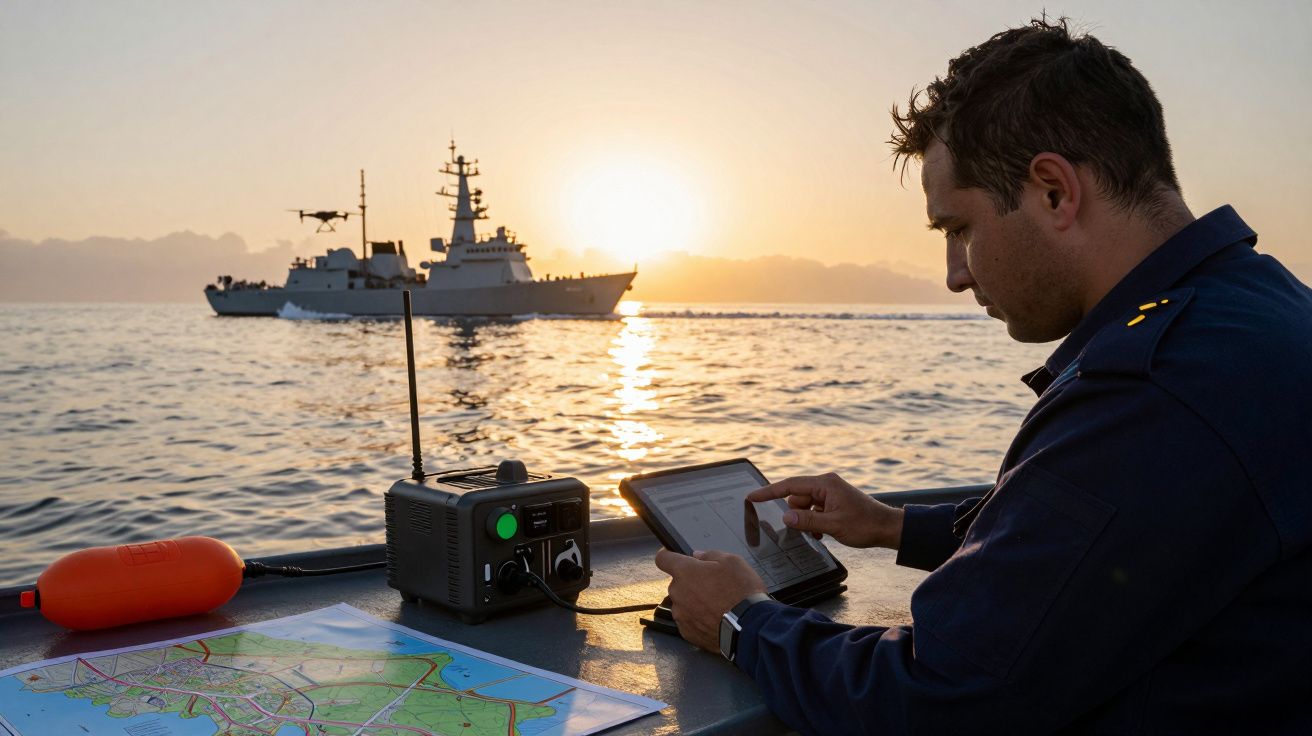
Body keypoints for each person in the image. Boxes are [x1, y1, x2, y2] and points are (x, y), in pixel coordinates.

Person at [653, 16, 1312, 735]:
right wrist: (892, 526)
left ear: (1055, 192)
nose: (954, 275)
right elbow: (1118, 538)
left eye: (958, 228)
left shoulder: (1158, 387)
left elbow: (940, 697)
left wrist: (742, 621)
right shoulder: (1256, 314)